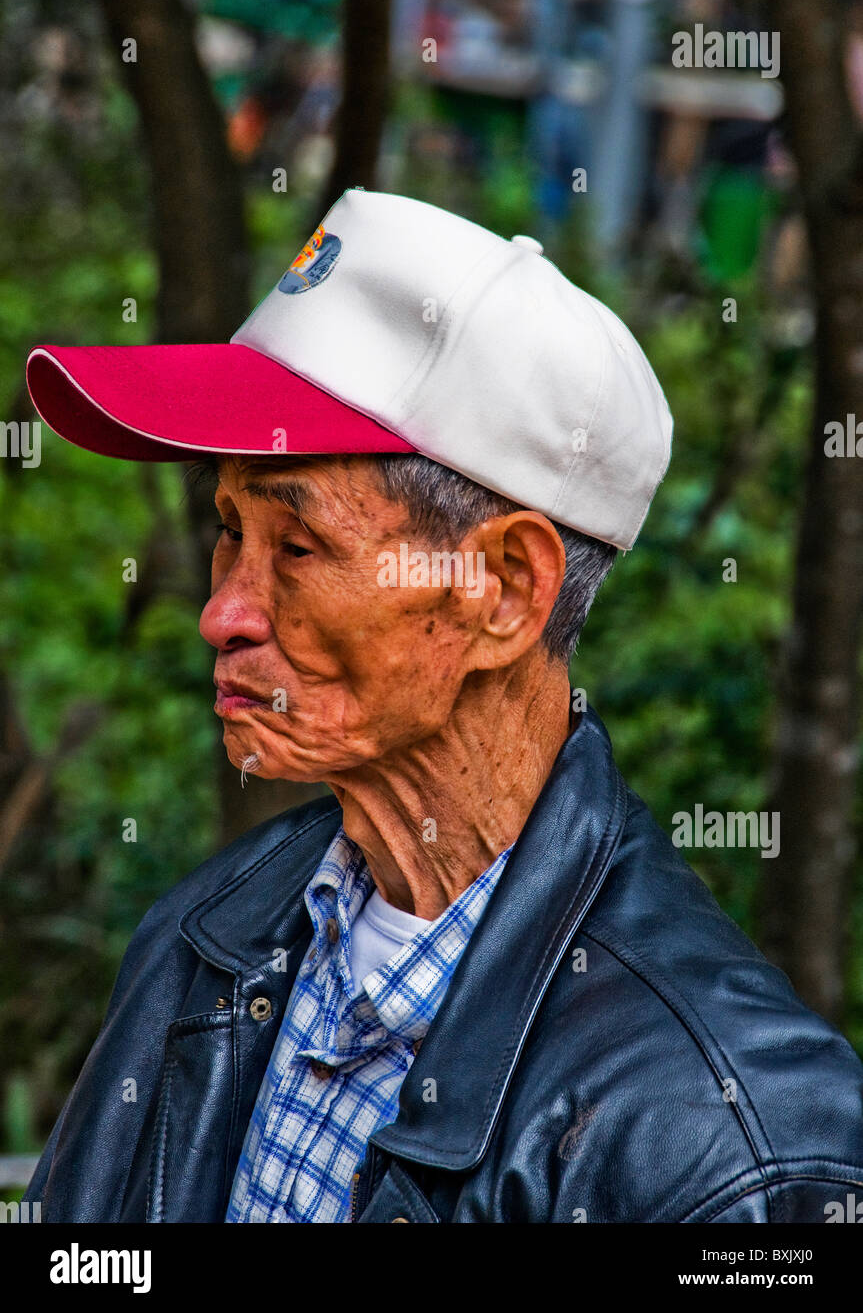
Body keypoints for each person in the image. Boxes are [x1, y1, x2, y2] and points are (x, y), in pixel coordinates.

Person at [23, 189, 863, 1223]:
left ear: (504, 591)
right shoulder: (204, 940)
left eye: (296, 546)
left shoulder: (726, 1146)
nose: (221, 612)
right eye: (227, 529)